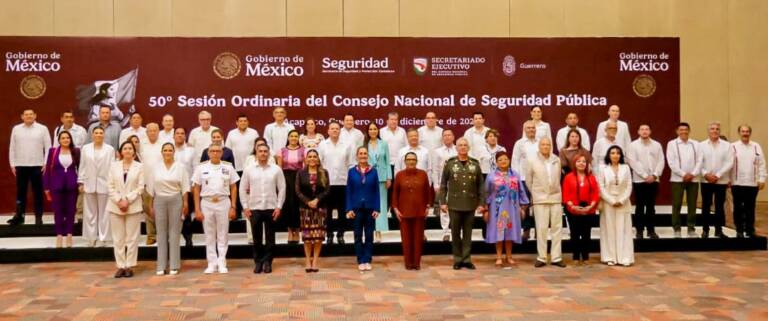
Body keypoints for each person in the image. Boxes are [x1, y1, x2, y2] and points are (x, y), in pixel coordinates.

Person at [192, 143, 239, 274]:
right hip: (206, 203)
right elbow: (196, 188)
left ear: (221, 153)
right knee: (209, 234)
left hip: (223, 202)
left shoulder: (228, 167)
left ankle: (222, 262)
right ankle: (211, 263)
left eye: (217, 151)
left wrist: (233, 206)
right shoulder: (201, 168)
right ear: (208, 153)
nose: (215, 153)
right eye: (212, 151)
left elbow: (234, 187)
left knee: (223, 234)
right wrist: (197, 209)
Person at [240, 144, 286, 274]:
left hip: (271, 207)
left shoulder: (276, 169)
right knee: (256, 238)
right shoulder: (249, 170)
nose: (263, 153)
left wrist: (279, 206)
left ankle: (268, 262)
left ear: (269, 154)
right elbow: (242, 188)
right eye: (260, 151)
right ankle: (258, 262)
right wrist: (245, 207)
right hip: (254, 207)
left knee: (270, 237)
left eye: (265, 151)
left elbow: (282, 188)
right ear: (256, 153)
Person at [440, 138, 484, 270]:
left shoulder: (475, 164)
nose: (463, 147)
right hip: (454, 203)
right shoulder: (450, 163)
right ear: (456, 148)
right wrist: (442, 202)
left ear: (468, 147)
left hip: (470, 203)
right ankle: (457, 259)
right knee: (455, 233)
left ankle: (467, 258)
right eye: (460, 145)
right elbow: (443, 184)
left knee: (468, 233)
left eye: (465, 145)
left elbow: (481, 186)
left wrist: (481, 203)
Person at [146, 143, 190, 275]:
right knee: (161, 233)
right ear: (161, 152)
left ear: (174, 152)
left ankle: (174, 265)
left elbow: (185, 187)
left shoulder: (180, 167)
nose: (167, 152)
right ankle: (161, 265)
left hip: (176, 200)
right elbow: (150, 188)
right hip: (159, 200)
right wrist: (150, 205)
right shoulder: (155, 168)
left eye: (170, 150)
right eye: (165, 150)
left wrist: (185, 203)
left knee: (174, 233)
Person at [106, 140, 145, 278]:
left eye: (130, 148)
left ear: (134, 151)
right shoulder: (113, 166)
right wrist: (119, 200)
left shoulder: (139, 167)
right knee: (118, 238)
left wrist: (127, 200)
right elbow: (110, 186)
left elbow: (140, 187)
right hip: (116, 206)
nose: (127, 150)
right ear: (121, 152)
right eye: (125, 148)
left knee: (132, 237)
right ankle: (120, 265)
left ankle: (129, 265)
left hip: (133, 205)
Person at [483, 152, 529, 268]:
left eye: (505, 159)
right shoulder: (491, 176)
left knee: (510, 232)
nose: (503, 161)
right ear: (496, 162)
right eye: (500, 160)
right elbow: (486, 192)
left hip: (512, 209)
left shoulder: (515, 175)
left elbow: (521, 191)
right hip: (497, 209)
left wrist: (523, 206)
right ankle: (499, 257)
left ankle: (509, 256)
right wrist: (485, 208)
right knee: (499, 231)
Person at [525, 138, 565, 268]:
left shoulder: (556, 159)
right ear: (539, 146)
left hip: (555, 198)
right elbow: (528, 180)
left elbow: (558, 178)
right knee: (541, 229)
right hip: (540, 199)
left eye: (548, 144)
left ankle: (556, 257)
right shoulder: (532, 160)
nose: (546, 146)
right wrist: (536, 193)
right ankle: (541, 257)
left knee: (557, 228)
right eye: (543, 144)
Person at [8, 108, 51, 226]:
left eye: (31, 114)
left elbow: (48, 147)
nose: (29, 116)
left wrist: (46, 163)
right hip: (20, 165)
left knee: (38, 193)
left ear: (35, 115)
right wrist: (12, 164)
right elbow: (12, 147)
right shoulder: (16, 129)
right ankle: (19, 216)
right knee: (21, 193)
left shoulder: (42, 129)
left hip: (38, 166)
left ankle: (38, 217)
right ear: (22, 116)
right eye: (26, 115)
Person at [392, 152, 433, 270]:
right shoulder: (399, 175)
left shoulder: (423, 174)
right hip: (403, 212)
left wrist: (427, 206)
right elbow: (395, 193)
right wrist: (395, 208)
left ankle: (416, 263)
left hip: (419, 211)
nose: (411, 161)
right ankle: (408, 263)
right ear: (404, 162)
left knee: (418, 238)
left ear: (416, 161)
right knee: (406, 239)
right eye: (408, 159)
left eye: (413, 159)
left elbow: (427, 191)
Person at [317, 122, 355, 245]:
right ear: (328, 131)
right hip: (326, 184)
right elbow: (319, 164)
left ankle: (340, 234)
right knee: (327, 212)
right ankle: (329, 234)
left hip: (343, 182)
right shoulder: (323, 145)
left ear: (340, 131)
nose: (334, 131)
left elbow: (350, 164)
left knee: (342, 211)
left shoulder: (347, 145)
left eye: (337, 129)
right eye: (332, 129)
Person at [626, 125, 665, 239]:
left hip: (654, 179)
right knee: (639, 207)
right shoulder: (633, 145)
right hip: (639, 180)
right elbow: (632, 162)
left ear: (650, 131)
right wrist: (644, 176)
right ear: (638, 131)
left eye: (647, 129)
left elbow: (661, 161)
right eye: (642, 129)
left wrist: (654, 175)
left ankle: (651, 230)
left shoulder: (656, 145)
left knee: (651, 207)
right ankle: (639, 231)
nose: (644, 131)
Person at [598, 146, 634, 267]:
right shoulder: (603, 169)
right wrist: (611, 200)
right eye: (612, 153)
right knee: (609, 229)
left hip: (623, 202)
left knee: (624, 230)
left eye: (618, 153)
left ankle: (624, 257)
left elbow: (629, 185)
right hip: (608, 202)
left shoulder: (626, 168)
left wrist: (622, 200)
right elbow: (601, 187)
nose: (615, 155)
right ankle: (610, 257)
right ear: (608, 155)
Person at [346, 146, 380, 272]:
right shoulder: (352, 171)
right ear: (357, 156)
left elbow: (377, 191)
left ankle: (368, 259)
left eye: (365, 153)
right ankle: (360, 259)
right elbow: (349, 190)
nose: (363, 156)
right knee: (358, 235)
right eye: (360, 153)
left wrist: (377, 208)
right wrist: (349, 208)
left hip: (370, 208)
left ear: (368, 155)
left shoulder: (374, 171)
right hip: (356, 208)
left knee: (370, 235)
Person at [79, 126, 115, 247]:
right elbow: (82, 165)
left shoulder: (109, 149)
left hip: (104, 184)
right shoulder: (85, 148)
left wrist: (112, 184)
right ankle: (91, 237)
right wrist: (81, 182)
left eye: (101, 133)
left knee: (105, 213)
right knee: (89, 212)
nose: (98, 135)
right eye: (96, 133)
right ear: (92, 135)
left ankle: (103, 238)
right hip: (89, 183)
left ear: (103, 135)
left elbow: (112, 168)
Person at [44, 131, 80, 248]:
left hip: (71, 185)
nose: (65, 140)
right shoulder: (53, 152)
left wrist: (80, 183)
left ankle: (69, 235)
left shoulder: (76, 151)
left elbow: (81, 168)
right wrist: (46, 187)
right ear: (59, 140)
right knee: (58, 211)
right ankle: (59, 235)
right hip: (56, 185)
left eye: (67, 138)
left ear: (70, 139)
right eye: (63, 138)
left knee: (70, 211)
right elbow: (48, 171)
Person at [296, 149, 330, 273]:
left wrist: (317, 200)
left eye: (314, 156)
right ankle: (307, 260)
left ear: (318, 158)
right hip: (305, 209)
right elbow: (298, 191)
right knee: (307, 236)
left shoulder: (324, 173)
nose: (312, 158)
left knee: (318, 236)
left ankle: (315, 260)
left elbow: (327, 190)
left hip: (320, 209)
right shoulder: (300, 173)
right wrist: (308, 202)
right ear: (306, 159)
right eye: (309, 156)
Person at [561, 153, 599, 265]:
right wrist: (572, 206)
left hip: (589, 209)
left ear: (587, 164)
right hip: (573, 210)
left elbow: (595, 193)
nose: (581, 163)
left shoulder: (591, 177)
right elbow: (565, 193)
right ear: (574, 163)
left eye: (583, 161)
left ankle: (586, 257)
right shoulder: (568, 177)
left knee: (586, 234)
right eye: (578, 161)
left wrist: (591, 205)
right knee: (575, 234)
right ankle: (576, 257)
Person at [666, 122, 702, 238]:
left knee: (692, 205)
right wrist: (683, 174)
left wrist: (693, 174)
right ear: (677, 131)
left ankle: (691, 228)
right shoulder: (672, 144)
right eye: (681, 130)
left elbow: (700, 161)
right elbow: (671, 162)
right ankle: (676, 228)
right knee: (677, 204)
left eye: (686, 129)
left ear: (689, 131)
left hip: (693, 179)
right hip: (677, 179)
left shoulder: (695, 144)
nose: (684, 132)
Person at [730, 124, 766, 238]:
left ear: (750, 133)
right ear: (739, 133)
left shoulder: (756, 146)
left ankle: (750, 230)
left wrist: (762, 179)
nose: (745, 133)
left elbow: (762, 164)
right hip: (737, 183)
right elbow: (728, 164)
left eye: (747, 131)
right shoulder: (733, 146)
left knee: (750, 208)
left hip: (752, 183)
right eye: (743, 131)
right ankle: (739, 230)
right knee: (738, 208)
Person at [698, 121, 733, 239]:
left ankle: (719, 230)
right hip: (705, 180)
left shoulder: (727, 146)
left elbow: (729, 162)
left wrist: (717, 175)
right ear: (708, 131)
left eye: (717, 129)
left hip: (721, 181)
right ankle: (705, 231)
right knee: (706, 206)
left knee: (719, 207)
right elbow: (698, 163)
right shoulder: (701, 145)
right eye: (712, 129)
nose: (715, 131)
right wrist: (706, 174)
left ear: (720, 131)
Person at [226, 115, 259, 222]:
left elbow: (257, 147)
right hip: (236, 167)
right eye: (241, 121)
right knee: (238, 190)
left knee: (250, 190)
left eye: (245, 121)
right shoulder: (231, 133)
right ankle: (238, 213)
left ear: (248, 122)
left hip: (251, 167)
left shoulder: (253, 133)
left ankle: (250, 211)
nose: (243, 123)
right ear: (237, 122)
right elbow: (228, 149)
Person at [364, 123, 392, 243]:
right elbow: (362, 162)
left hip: (382, 177)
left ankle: (379, 232)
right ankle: (370, 230)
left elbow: (387, 161)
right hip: (368, 177)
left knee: (381, 205)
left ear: (378, 131)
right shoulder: (364, 145)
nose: (373, 131)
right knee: (370, 205)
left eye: (375, 129)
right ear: (368, 131)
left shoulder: (383, 144)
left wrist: (389, 177)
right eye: (370, 129)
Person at [512, 120, 539, 241]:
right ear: (524, 129)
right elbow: (515, 161)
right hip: (523, 179)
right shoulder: (519, 143)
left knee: (539, 206)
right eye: (528, 128)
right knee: (525, 207)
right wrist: (516, 179)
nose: (531, 130)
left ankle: (539, 231)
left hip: (539, 179)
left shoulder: (540, 142)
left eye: (533, 128)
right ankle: (526, 231)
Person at [276, 130, 305, 244]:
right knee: (288, 204)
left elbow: (305, 167)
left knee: (298, 204)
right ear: (288, 138)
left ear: (298, 138)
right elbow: (279, 168)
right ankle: (289, 231)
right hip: (285, 178)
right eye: (291, 136)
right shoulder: (281, 151)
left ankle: (297, 231)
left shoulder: (304, 150)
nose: (293, 138)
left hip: (299, 178)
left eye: (296, 136)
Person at [431, 129, 457, 242]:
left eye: (449, 135)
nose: (447, 137)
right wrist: (436, 184)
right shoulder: (437, 152)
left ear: (453, 137)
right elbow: (435, 169)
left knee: (457, 208)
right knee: (444, 208)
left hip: (457, 183)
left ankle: (455, 231)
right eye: (445, 135)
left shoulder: (458, 149)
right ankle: (446, 232)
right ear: (442, 138)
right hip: (443, 183)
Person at [173, 128, 196, 247]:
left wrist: (193, 185)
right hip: (171, 187)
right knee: (174, 215)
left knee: (186, 214)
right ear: (173, 136)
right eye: (177, 133)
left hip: (187, 187)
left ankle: (188, 239)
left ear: (185, 136)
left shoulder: (191, 150)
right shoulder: (169, 149)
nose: (180, 135)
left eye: (182, 133)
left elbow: (195, 168)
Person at [141, 123, 164, 245]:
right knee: (148, 209)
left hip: (161, 182)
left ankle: (161, 235)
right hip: (146, 181)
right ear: (146, 132)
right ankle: (151, 235)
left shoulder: (163, 145)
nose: (153, 132)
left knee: (161, 209)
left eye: (155, 130)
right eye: (150, 131)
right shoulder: (141, 145)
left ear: (158, 131)